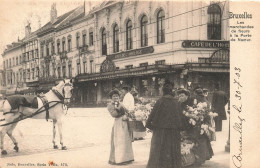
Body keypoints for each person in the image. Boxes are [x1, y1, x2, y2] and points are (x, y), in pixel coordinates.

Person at [146, 80, 183, 168]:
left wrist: (151, 126)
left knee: (159, 151)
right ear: (172, 91)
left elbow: (152, 116)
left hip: (160, 132)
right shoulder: (176, 102)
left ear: (163, 91)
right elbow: (180, 118)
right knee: (172, 151)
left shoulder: (160, 101)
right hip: (173, 132)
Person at [107, 88, 134, 165]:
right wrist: (118, 108)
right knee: (118, 141)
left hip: (125, 123)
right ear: (111, 98)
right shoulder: (110, 105)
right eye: (114, 96)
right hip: (118, 124)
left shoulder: (121, 104)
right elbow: (114, 114)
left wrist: (126, 115)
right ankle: (119, 159)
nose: (116, 98)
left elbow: (128, 112)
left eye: (117, 96)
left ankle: (127, 158)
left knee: (125, 140)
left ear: (119, 97)